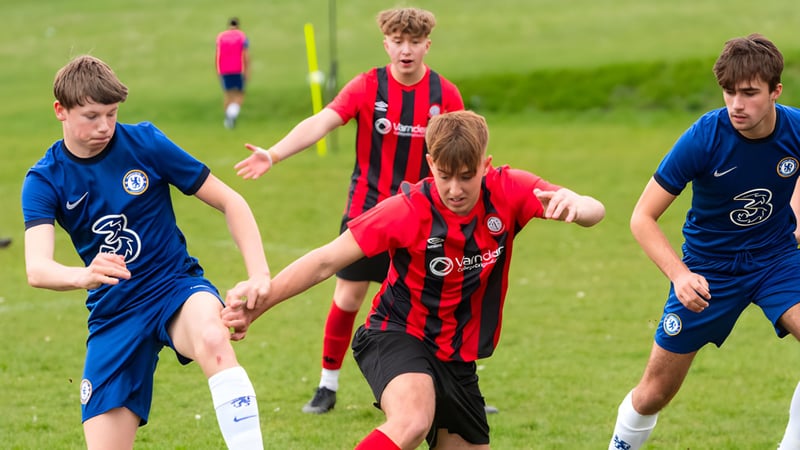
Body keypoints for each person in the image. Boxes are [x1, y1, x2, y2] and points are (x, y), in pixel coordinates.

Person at [224, 110, 606, 448]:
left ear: (486, 165)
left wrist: (578, 204)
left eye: (467, 177)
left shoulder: (509, 190)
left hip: (457, 357)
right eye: (445, 176)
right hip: (396, 333)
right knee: (412, 419)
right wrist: (259, 306)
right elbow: (325, 261)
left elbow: (595, 210)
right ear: (430, 164)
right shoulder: (406, 210)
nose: (455, 189)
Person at [21, 55, 270, 450]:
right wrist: (82, 276)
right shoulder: (44, 180)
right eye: (91, 116)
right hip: (113, 312)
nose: (104, 126)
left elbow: (231, 201)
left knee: (212, 336)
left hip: (174, 288)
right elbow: (37, 268)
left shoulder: (145, 143)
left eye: (112, 113)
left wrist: (259, 274)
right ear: (60, 111)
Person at [234, 7, 466, 414]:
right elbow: (322, 121)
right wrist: (274, 153)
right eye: (398, 41)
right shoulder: (367, 86)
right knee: (348, 297)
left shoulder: (445, 95)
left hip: (425, 218)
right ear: (386, 43)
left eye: (414, 42)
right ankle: (327, 385)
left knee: (437, 301)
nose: (406, 50)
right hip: (369, 211)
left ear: (427, 45)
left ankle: (453, 384)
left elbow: (464, 151)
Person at [608, 34, 800, 450]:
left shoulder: (796, 128)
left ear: (775, 91)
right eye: (729, 92)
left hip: (776, 260)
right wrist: (680, 276)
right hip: (708, 272)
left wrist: (797, 218)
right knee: (654, 392)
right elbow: (642, 217)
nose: (736, 104)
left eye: (749, 93)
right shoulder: (704, 138)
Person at [216, 17, 250, 129]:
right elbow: (245, 55)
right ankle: (233, 114)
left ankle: (227, 119)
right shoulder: (241, 36)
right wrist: (247, 70)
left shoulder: (221, 36)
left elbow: (217, 55)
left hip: (224, 69)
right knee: (239, 94)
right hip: (238, 68)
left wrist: (218, 70)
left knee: (228, 94)